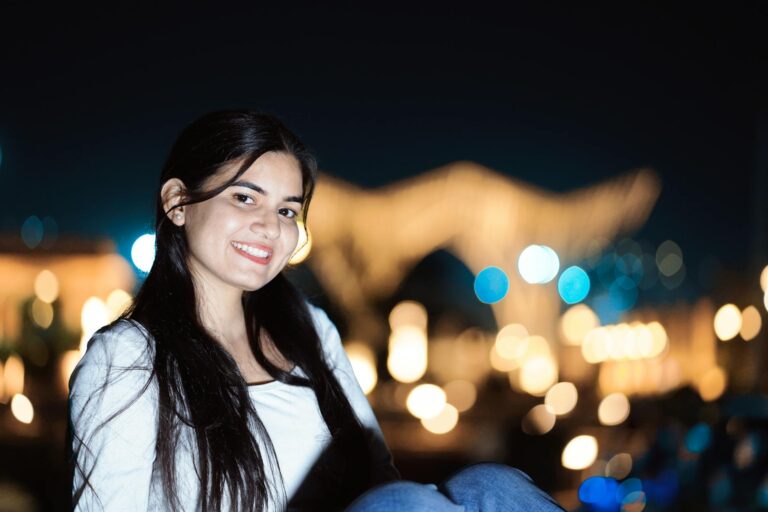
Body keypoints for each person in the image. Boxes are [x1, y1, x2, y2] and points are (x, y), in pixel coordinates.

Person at [68, 110, 564, 511]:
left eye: (287, 210)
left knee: (490, 485)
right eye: (245, 198)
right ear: (178, 203)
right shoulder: (127, 358)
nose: (270, 227)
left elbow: (379, 477)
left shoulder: (309, 329)